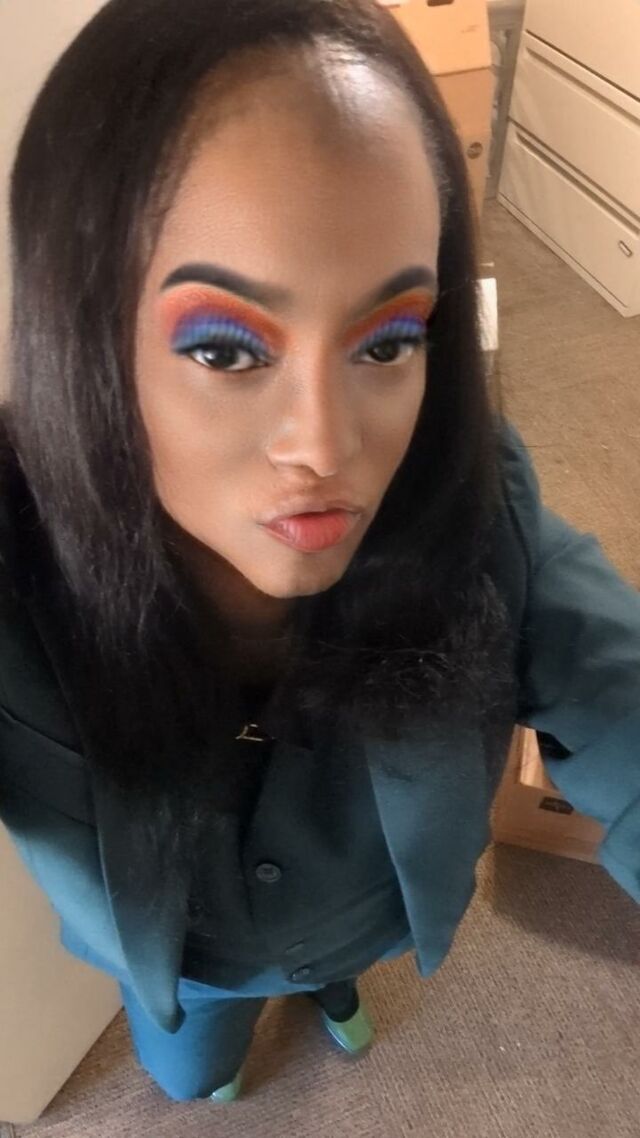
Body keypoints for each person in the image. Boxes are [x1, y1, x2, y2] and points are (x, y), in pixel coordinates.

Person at [1, 0, 639, 1108]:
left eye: (387, 341)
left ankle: (332, 986)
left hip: (365, 920)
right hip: (186, 971)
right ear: (86, 336)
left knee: (337, 976)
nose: (328, 446)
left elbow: (618, 691)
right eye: (224, 348)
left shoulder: (473, 495)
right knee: (194, 1077)